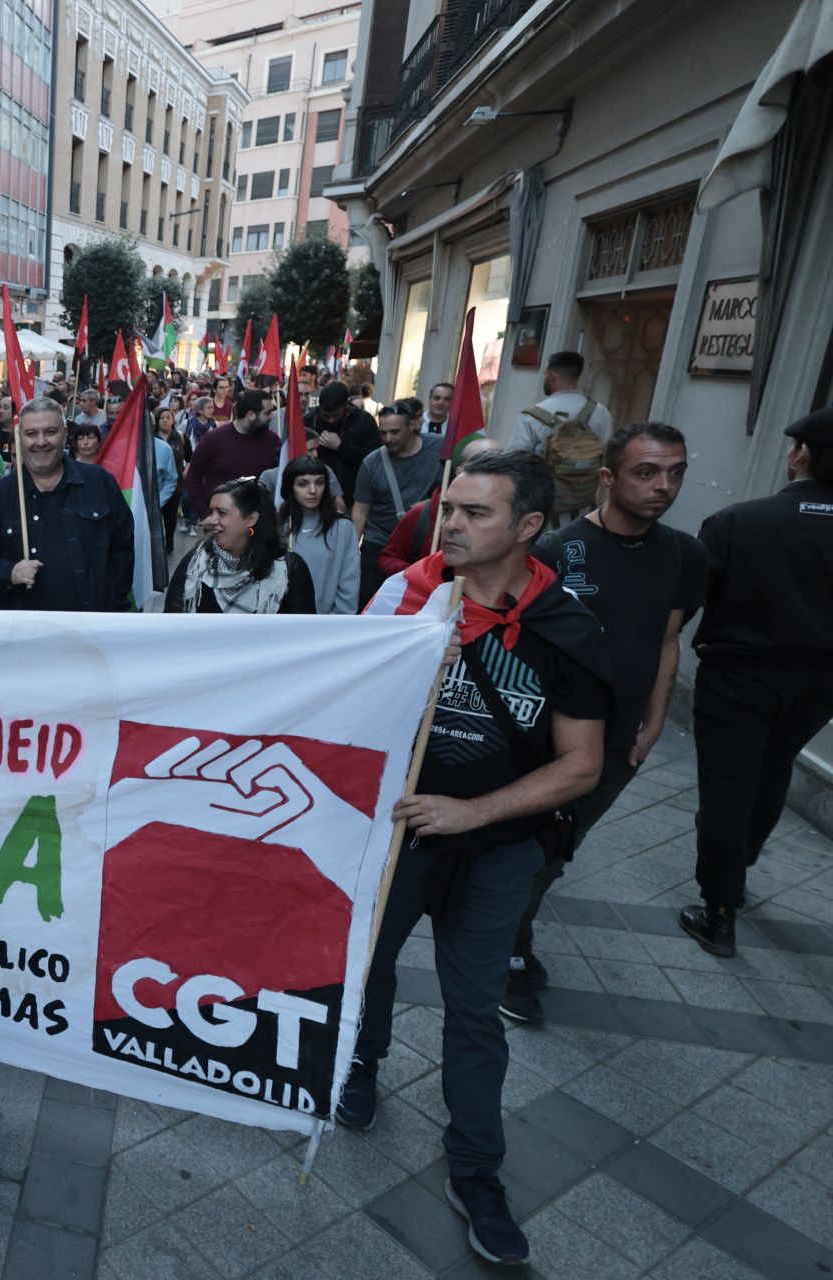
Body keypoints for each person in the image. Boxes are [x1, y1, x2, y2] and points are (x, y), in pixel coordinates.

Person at [346, 449, 612, 1268]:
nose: (450, 524)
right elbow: (349, 700)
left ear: (528, 526)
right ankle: (361, 1062)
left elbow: (581, 766)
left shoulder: (567, 628)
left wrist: (473, 813)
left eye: (474, 512)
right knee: (369, 963)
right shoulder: (407, 595)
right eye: (449, 508)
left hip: (496, 850)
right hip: (400, 836)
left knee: (473, 1009)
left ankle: (475, 1167)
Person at [501, 423, 703, 1019]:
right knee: (529, 848)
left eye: (675, 472)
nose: (663, 486)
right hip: (546, 733)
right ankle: (508, 950)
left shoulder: (685, 554)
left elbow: (666, 641)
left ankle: (508, 935)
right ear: (609, 478)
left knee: (559, 848)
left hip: (618, 740)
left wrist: (654, 720)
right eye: (647, 472)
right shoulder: (556, 550)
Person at [679, 408, 833, 957]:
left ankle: (719, 910)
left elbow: (694, 597)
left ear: (802, 455)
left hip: (739, 674)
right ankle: (737, 862)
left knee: (728, 785)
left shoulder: (738, 521)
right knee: (773, 768)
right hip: (819, 682)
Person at [0, 397, 134, 612]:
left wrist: (115, 608)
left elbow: (123, 550)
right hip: (25, 625)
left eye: (50, 432)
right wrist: (9, 571)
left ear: (65, 433)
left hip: (91, 622)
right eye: (31, 433)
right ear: (20, 438)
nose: (41, 441)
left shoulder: (100, 482)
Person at [165, 478, 316, 614]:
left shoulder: (289, 569)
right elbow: (172, 622)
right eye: (212, 512)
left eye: (222, 513)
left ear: (251, 519)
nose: (212, 521)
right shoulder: (195, 563)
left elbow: (303, 631)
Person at [353, 403, 445, 605]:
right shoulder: (371, 463)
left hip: (423, 545)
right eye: (383, 433)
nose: (388, 438)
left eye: (395, 432)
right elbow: (360, 511)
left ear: (413, 425)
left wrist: (433, 502)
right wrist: (352, 554)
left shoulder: (440, 450)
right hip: (379, 543)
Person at [509, 352, 615, 525]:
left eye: (545, 373)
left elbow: (515, 464)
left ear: (552, 374)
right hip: (584, 510)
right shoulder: (601, 413)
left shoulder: (532, 416)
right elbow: (607, 457)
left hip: (543, 512)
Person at [379, 438, 503, 576]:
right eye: (448, 511)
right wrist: (419, 576)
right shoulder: (424, 513)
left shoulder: (510, 518)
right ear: (460, 471)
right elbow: (389, 558)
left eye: (475, 514)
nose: (452, 525)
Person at [182, 389, 281, 519]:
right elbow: (193, 477)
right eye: (267, 413)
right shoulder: (214, 439)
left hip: (259, 520)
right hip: (219, 521)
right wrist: (205, 514)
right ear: (251, 415)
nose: (272, 417)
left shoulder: (273, 441)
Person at [279, 457, 359, 614]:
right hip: (285, 621)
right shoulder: (279, 526)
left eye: (319, 482)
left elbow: (349, 582)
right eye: (303, 484)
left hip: (330, 621)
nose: (313, 490)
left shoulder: (343, 527)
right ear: (290, 487)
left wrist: (337, 621)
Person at [309, 381, 382, 500]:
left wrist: (341, 447)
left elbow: (375, 457)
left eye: (336, 415)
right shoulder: (309, 421)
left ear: (345, 406)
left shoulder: (363, 420)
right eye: (326, 416)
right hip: (317, 495)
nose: (331, 420)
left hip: (354, 495)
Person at [154, 406, 186, 555]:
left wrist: (185, 473)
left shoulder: (180, 436)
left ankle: (169, 542)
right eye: (162, 418)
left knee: (170, 518)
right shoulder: (153, 439)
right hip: (156, 487)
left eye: (168, 417)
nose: (165, 420)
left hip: (175, 486)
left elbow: (189, 457)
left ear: (173, 420)